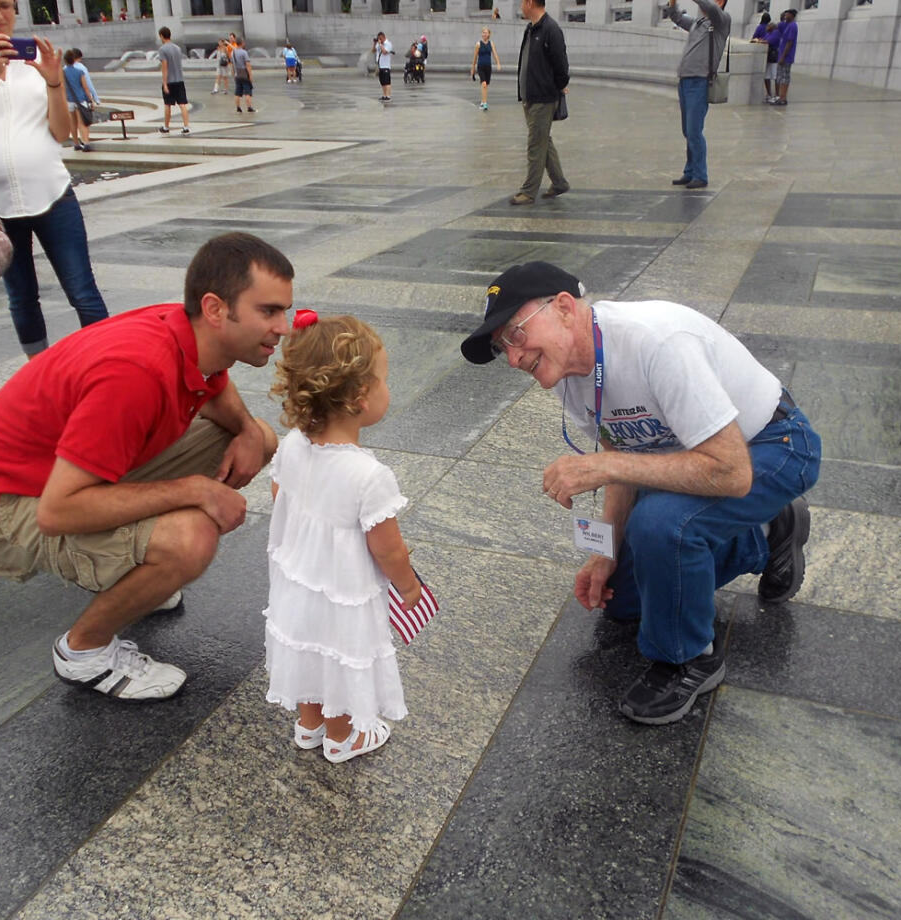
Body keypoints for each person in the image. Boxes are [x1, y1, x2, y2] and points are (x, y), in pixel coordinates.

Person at [460, 262, 821, 725]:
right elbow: (622, 453)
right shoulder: (571, 372)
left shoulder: (656, 342)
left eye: (514, 334)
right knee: (625, 601)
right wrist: (605, 553)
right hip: (694, 456)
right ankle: (770, 531)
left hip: (770, 446)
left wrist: (603, 466)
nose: (512, 358)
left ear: (565, 308)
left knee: (661, 525)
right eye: (500, 348)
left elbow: (730, 473)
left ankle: (689, 660)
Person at [0, 233, 294, 702]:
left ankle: (139, 573)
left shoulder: (185, 330)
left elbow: (212, 381)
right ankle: (83, 652)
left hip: (61, 476)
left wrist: (250, 431)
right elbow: (57, 514)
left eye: (284, 311)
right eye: (268, 312)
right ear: (215, 309)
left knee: (258, 437)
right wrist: (194, 490)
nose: (284, 327)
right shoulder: (135, 373)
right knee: (188, 540)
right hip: (0, 510)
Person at [263, 313, 418, 763]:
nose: (389, 388)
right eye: (384, 380)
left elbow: (280, 494)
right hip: (342, 590)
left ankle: (309, 724)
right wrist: (408, 587)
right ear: (360, 397)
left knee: (306, 647)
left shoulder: (293, 442)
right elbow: (386, 547)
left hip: (298, 579)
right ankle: (343, 736)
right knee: (337, 654)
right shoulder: (368, 476)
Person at [0, 1, 108, 357]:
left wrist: (52, 81)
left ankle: (111, 366)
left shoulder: (36, 61)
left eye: (5, 5)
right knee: (21, 298)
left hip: (52, 193)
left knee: (82, 289)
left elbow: (61, 132)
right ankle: (40, 373)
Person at [664, 0, 729, 190]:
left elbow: (710, 8)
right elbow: (676, 17)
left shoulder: (721, 20)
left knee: (694, 131)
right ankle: (690, 171)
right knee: (688, 130)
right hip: (685, 80)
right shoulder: (698, 23)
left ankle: (701, 175)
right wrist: (673, 3)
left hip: (699, 82)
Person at [512, 0, 570, 205]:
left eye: (522, 2)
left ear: (530, 3)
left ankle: (528, 192)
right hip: (530, 96)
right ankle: (559, 182)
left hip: (543, 98)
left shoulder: (550, 30)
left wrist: (558, 87)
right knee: (544, 140)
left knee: (535, 144)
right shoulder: (531, 29)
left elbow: (562, 65)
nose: (520, 6)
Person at [157, 26, 190, 135]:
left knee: (168, 104)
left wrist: (165, 83)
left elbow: (164, 66)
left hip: (170, 81)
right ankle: (186, 126)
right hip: (179, 79)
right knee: (182, 104)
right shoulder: (177, 48)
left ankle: (166, 127)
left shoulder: (162, 49)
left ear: (162, 36)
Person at [62, 49, 96, 151]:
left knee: (73, 123)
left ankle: (76, 144)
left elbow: (61, 88)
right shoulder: (79, 72)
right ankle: (86, 143)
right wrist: (91, 100)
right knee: (82, 123)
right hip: (81, 99)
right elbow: (85, 87)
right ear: (74, 60)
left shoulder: (62, 73)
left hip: (69, 100)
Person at [471, 26, 503, 110]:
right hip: (480, 66)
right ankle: (484, 103)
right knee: (484, 84)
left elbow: (495, 54)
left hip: (488, 66)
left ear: (489, 34)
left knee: (486, 85)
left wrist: (498, 63)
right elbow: (475, 57)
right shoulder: (478, 44)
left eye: (486, 33)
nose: (484, 34)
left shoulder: (491, 43)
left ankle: (483, 101)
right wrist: (473, 69)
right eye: (483, 33)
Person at [748, 13, 777, 103]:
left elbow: (755, 37)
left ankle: (773, 94)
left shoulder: (761, 27)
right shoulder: (770, 31)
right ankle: (771, 94)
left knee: (772, 75)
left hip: (771, 57)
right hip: (769, 56)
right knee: (769, 76)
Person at [773, 9, 797, 106]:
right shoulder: (787, 25)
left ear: (792, 15)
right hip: (782, 56)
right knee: (781, 77)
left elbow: (790, 42)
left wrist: (783, 57)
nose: (785, 16)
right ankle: (781, 97)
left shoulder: (792, 26)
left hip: (786, 57)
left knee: (785, 78)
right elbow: (779, 26)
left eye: (787, 14)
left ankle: (783, 98)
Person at [233, 36, 255, 113]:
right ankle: (249, 107)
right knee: (247, 92)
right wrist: (250, 75)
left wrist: (233, 74)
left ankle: (238, 107)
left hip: (237, 74)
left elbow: (232, 64)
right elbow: (247, 64)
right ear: (242, 43)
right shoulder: (244, 52)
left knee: (237, 92)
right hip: (245, 75)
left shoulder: (233, 52)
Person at [375, 31, 394, 102]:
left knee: (387, 82)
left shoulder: (388, 44)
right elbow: (374, 50)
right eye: (378, 39)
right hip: (380, 66)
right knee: (382, 82)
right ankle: (384, 95)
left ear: (383, 37)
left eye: (380, 38)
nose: (379, 40)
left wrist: (381, 44)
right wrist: (375, 43)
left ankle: (388, 96)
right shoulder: (379, 44)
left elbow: (384, 52)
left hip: (386, 66)